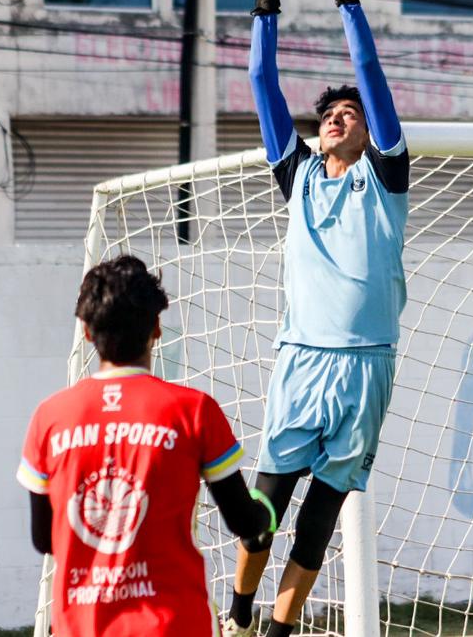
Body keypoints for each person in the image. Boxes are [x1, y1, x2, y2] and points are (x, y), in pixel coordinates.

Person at [224, 0, 408, 637]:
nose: (340, 115)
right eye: (330, 112)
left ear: (369, 130)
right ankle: (238, 606)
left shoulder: (387, 176)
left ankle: (278, 628)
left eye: (351, 112)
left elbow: (369, 73)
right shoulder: (296, 174)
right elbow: (259, 76)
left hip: (365, 369)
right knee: (264, 511)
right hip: (302, 364)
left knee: (319, 522)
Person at [18, 255, 278, 637]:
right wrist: (265, 512)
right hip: (176, 625)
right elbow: (243, 522)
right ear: (156, 328)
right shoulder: (193, 411)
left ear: (88, 333)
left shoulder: (49, 418)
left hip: (81, 627)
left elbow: (44, 540)